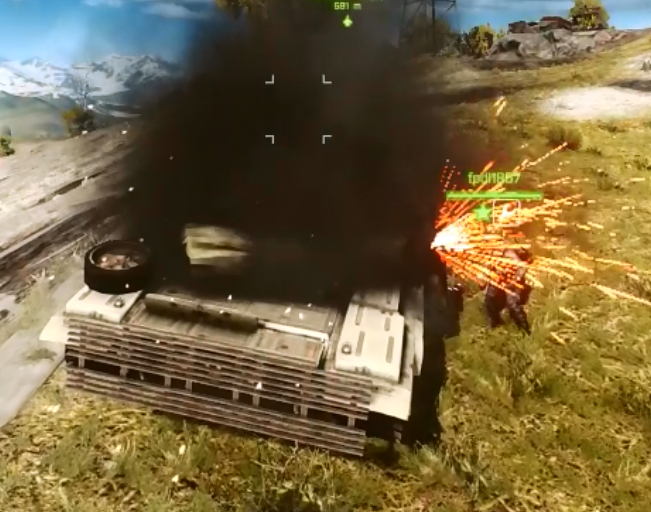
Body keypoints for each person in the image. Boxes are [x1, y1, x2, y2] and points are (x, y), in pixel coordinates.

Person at [482, 248, 532, 334]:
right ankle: (496, 324)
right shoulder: (491, 257)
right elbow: (486, 272)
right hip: (499, 281)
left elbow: (522, 267)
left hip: (512, 281)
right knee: (489, 299)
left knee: (512, 303)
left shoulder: (509, 254)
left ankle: (524, 328)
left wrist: (516, 279)